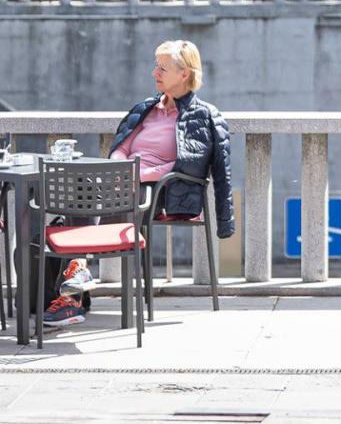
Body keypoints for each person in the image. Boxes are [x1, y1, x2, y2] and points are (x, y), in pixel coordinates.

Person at [46, 40, 236, 328]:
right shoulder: (145, 108)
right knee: (79, 183)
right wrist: (122, 167)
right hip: (122, 180)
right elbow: (121, 145)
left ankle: (73, 292)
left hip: (162, 191)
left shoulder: (205, 115)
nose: (154, 72)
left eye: (162, 67)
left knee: (123, 195)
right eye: (156, 65)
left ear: (184, 73)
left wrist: (138, 174)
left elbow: (191, 165)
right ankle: (78, 274)